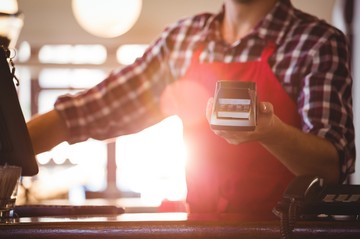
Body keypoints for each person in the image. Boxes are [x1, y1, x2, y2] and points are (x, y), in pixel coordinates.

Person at [27, 0, 355, 220]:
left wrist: (271, 131)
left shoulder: (318, 42)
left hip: (286, 234)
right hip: (200, 230)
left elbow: (330, 168)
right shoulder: (183, 40)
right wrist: (12, 145)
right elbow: (92, 110)